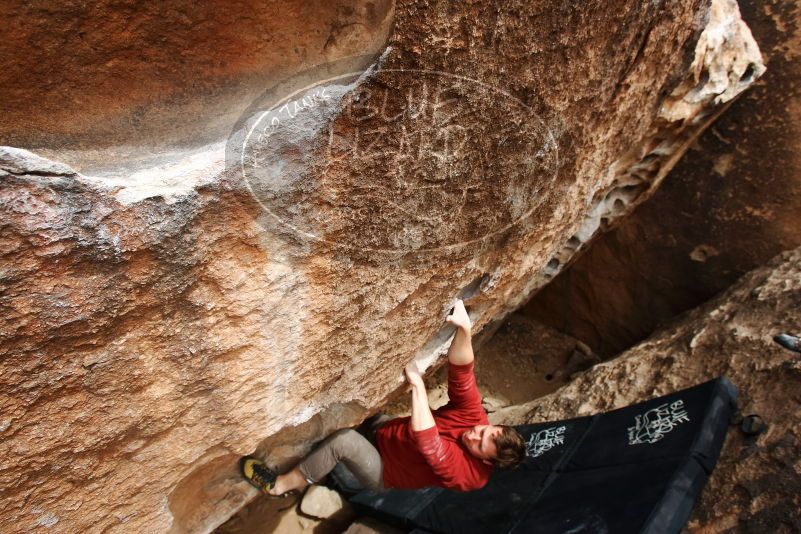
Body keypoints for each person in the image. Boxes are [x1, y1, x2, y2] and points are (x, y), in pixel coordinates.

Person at [240, 299, 526, 495]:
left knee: (344, 442)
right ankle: (322, 465)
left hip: (384, 471)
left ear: (486, 462)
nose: (474, 434)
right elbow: (462, 373)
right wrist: (464, 330)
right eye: (484, 432)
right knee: (370, 415)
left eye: (479, 446)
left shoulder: (470, 477)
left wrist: (417, 387)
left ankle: (281, 485)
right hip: (391, 434)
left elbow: (430, 444)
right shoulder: (475, 420)